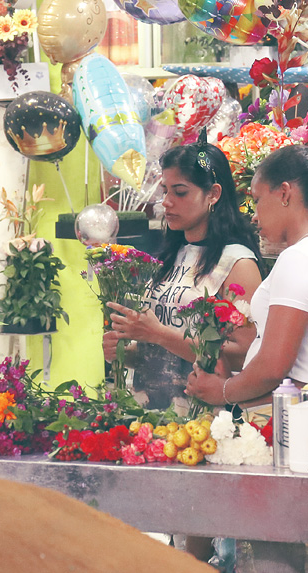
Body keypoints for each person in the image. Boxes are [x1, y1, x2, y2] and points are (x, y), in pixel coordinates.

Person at [102, 144, 263, 412]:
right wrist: (124, 352)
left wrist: (160, 335)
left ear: (213, 194)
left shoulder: (237, 263)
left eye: (180, 192)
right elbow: (158, 352)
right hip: (149, 414)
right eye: (165, 191)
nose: (166, 201)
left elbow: (247, 354)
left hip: (202, 421)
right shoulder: (171, 255)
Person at [185, 139, 308, 407]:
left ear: (284, 193)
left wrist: (223, 391)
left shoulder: (299, 259)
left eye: (257, 200)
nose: (255, 216)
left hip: (293, 420)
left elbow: (274, 366)